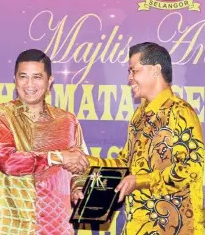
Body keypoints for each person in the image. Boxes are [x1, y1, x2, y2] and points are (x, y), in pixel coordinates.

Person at [72, 42, 204, 235]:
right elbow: (124, 164)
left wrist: (140, 181)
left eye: (134, 71)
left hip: (175, 227)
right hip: (137, 225)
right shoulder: (139, 115)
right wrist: (84, 161)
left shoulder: (180, 112)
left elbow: (193, 169)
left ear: (155, 70)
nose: (129, 78)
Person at [0, 49, 90, 235]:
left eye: (37, 77)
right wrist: (58, 157)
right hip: (14, 223)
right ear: (15, 80)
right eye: (23, 77)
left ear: (49, 81)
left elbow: (81, 165)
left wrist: (78, 187)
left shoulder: (67, 121)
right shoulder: (0, 117)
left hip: (57, 224)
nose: (29, 84)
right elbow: (7, 161)